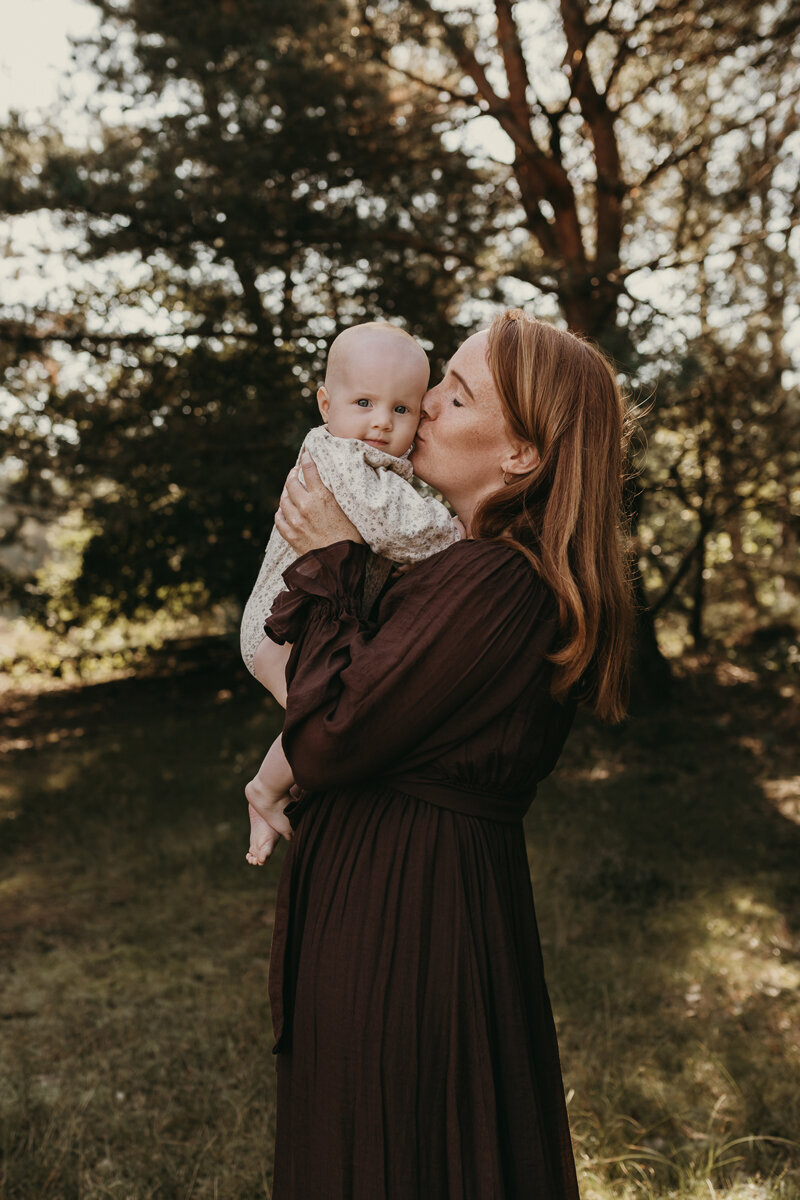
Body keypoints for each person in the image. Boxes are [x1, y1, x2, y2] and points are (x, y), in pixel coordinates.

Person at [243, 308, 634, 1198]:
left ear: (522, 455)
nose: (419, 415)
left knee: (396, 1145)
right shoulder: (465, 563)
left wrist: (335, 561)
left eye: (453, 397)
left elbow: (338, 729)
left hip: (410, 910)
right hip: (403, 885)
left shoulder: (498, 578)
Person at [239, 322, 463, 866]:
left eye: (402, 409)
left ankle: (276, 790)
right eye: (363, 401)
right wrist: (459, 532)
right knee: (333, 722)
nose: (381, 422)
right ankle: (267, 791)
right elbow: (396, 527)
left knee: (327, 718)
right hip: (281, 628)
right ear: (325, 403)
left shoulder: (376, 463)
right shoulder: (337, 455)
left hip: (301, 623)